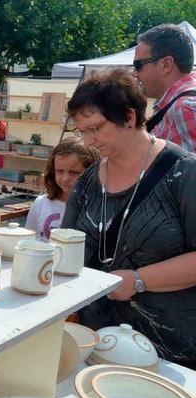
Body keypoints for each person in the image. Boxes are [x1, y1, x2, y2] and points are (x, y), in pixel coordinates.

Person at [61, 68, 196, 368]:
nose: (87, 141)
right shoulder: (86, 184)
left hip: (168, 354)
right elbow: (66, 251)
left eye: (96, 128)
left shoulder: (183, 173)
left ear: (130, 117)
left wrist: (138, 280)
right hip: (95, 347)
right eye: (82, 131)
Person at [134, 23, 196, 152]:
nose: (134, 73)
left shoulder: (185, 108)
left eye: (138, 65)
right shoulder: (178, 104)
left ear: (166, 65)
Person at [25, 137, 100, 241]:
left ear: (92, 173)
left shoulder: (99, 207)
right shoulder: (41, 204)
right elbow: (29, 240)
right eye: (60, 171)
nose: (65, 179)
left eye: (74, 172)